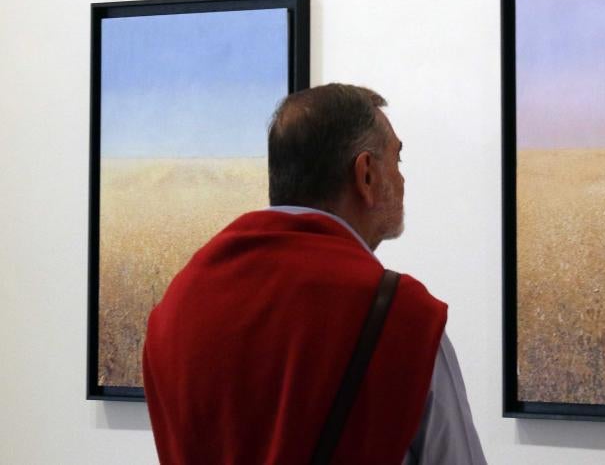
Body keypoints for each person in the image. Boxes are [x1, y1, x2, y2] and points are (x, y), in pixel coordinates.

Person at [143, 83, 486, 464]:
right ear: (366, 175)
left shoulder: (176, 306)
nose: (402, 180)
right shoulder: (402, 315)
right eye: (397, 160)